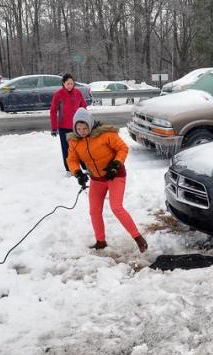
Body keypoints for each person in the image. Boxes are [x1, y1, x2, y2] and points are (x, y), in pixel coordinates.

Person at [67, 108, 148, 253]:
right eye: (78, 128)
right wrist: (78, 173)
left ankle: (138, 238)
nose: (82, 131)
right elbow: (72, 160)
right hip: (96, 179)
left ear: (90, 124)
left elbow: (122, 148)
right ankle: (100, 241)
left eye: (85, 128)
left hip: (114, 175)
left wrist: (116, 165)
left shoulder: (106, 134)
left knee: (116, 207)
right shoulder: (74, 142)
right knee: (94, 211)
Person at [49, 73, 88, 172]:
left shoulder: (78, 93)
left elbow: (83, 108)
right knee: (67, 149)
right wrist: (54, 128)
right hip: (64, 127)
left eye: (71, 83)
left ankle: (85, 167)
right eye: (67, 84)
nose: (70, 85)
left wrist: (86, 123)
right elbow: (53, 111)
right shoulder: (58, 94)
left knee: (81, 147)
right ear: (63, 83)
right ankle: (70, 169)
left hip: (77, 127)